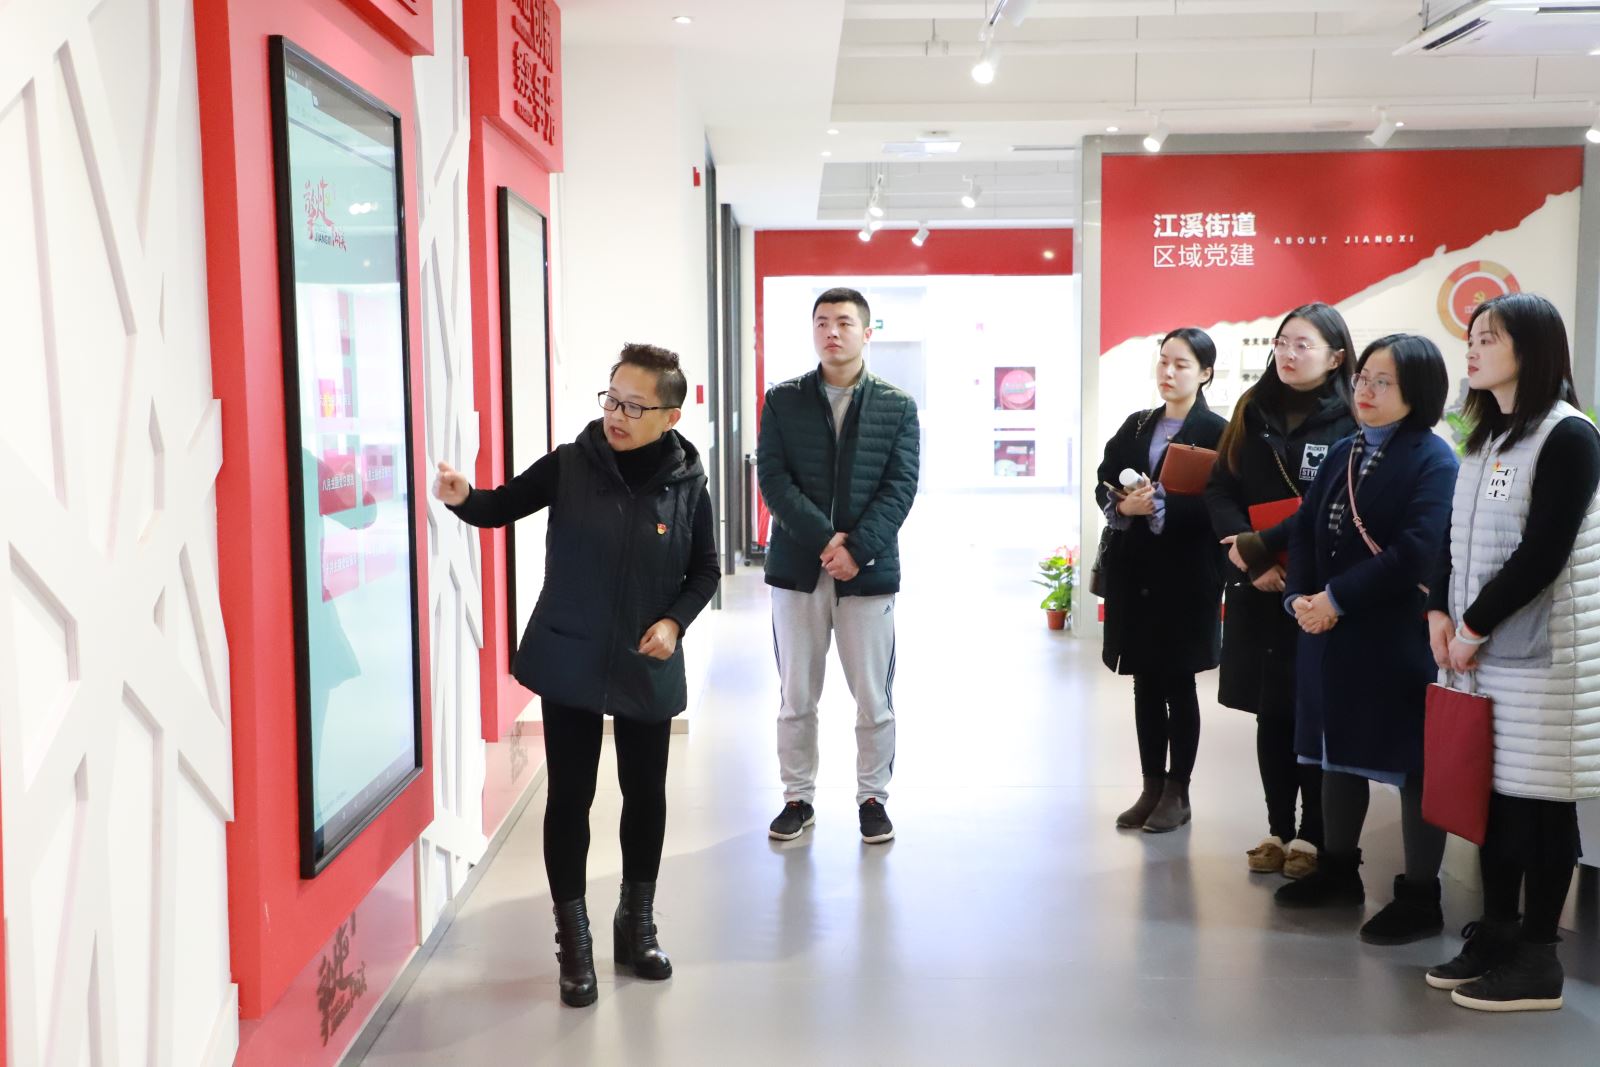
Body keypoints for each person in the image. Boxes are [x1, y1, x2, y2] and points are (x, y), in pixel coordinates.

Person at [434, 343, 719, 1008]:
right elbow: (501, 505)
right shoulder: (570, 464)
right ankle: (576, 939)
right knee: (570, 797)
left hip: (646, 659)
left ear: (670, 416)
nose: (616, 414)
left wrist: (675, 622)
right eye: (612, 399)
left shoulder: (687, 483)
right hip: (572, 655)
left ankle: (636, 924)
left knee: (645, 795)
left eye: (634, 406)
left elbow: (704, 568)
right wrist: (464, 498)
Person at [1423, 293, 1600, 1013]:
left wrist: (1471, 626)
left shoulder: (1570, 435)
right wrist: (1439, 611)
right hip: (1483, 651)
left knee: (1542, 801)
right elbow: (1452, 534)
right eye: (1471, 337)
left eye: (1489, 338)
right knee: (1493, 798)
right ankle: (1495, 935)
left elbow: (1543, 554)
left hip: (1542, 656)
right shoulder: (1484, 434)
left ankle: (1538, 958)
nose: (1471, 349)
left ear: (1533, 348)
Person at [1272, 334, 1457, 946]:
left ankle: (1421, 896)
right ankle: (1337, 871)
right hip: (1327, 632)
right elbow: (1304, 529)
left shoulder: (1434, 459)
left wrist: (1336, 599)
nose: (1366, 391)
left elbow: (1416, 551)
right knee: (1335, 753)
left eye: (1383, 382)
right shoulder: (1344, 451)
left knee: (1411, 762)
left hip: (1391, 636)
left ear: (1418, 391)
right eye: (1363, 379)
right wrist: (1300, 598)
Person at [759, 286, 920, 844]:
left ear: (867, 333)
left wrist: (856, 549)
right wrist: (827, 540)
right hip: (797, 570)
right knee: (796, 696)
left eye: (845, 322)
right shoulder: (783, 400)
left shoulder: (897, 406)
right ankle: (796, 798)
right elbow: (773, 480)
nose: (832, 331)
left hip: (868, 573)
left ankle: (873, 797)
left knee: (873, 697)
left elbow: (900, 487)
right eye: (822, 321)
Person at [1205, 302, 1357, 879]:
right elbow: (1221, 488)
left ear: (1335, 357)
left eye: (1303, 345)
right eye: (1282, 342)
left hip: (1318, 592)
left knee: (1312, 711)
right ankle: (1277, 828)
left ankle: (1313, 835)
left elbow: (1333, 506)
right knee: (1270, 712)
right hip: (1257, 582)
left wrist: (1265, 552)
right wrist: (1248, 557)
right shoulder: (1254, 407)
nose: (1288, 354)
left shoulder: (1350, 417)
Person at [1095, 328, 1227, 833]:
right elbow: (1104, 479)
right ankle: (1151, 786)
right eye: (1164, 361)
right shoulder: (1136, 425)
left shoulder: (1218, 431)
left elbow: (1222, 504)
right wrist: (1123, 505)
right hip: (1136, 572)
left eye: (1182, 364)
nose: (1168, 373)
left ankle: (1178, 791)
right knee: (1145, 682)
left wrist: (1168, 507)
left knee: (1179, 681)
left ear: (1205, 373)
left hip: (1187, 576)